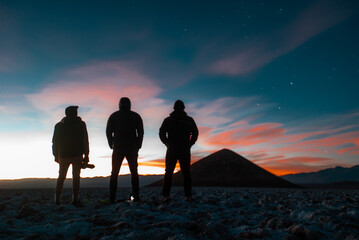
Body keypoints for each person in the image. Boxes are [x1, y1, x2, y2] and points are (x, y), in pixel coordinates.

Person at [159, 100, 198, 201]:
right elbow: (195, 133)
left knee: (170, 173)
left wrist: (166, 143)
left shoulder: (169, 120)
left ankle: (166, 196)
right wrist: (190, 143)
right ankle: (187, 196)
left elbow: (162, 132)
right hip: (180, 149)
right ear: (183, 108)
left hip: (175, 149)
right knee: (184, 173)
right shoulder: (188, 120)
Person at [106, 97, 144, 203]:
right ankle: (136, 196)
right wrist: (138, 144)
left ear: (119, 104)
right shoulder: (135, 116)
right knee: (134, 172)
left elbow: (108, 131)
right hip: (131, 147)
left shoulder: (114, 116)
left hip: (119, 147)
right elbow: (140, 132)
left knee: (115, 173)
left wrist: (111, 144)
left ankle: (112, 197)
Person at [52, 106, 90, 205]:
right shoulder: (81, 124)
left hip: (64, 155)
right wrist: (86, 155)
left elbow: (54, 142)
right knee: (76, 178)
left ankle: (57, 199)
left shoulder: (59, 126)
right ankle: (75, 199)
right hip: (76, 154)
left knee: (62, 177)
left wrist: (55, 155)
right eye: (75, 111)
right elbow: (85, 140)